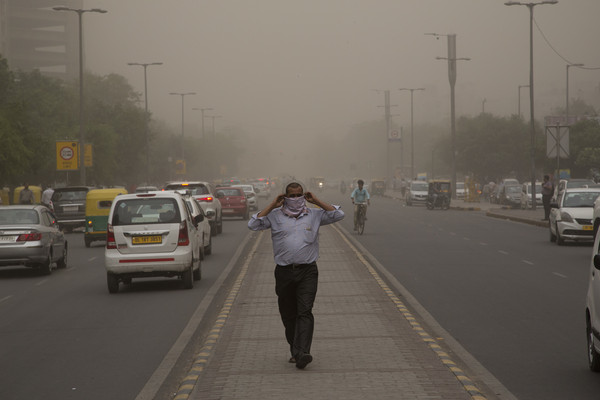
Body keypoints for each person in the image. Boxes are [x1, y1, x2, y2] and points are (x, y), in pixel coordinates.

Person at [247, 181, 344, 369]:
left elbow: (338, 214)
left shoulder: (314, 215)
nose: (295, 199)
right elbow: (253, 224)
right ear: (285, 197)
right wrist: (271, 205)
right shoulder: (275, 216)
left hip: (307, 271)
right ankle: (295, 349)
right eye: (291, 196)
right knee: (288, 314)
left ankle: (303, 353)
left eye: (299, 195)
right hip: (284, 272)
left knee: (305, 311)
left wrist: (315, 200)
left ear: (304, 195)